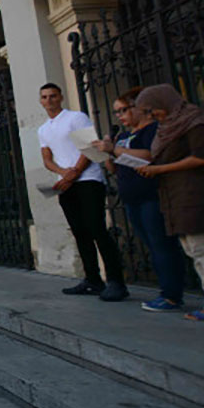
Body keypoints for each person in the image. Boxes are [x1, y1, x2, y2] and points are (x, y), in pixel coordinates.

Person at [134, 85, 204, 321]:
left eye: (153, 110)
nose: (152, 116)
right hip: (176, 195)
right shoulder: (168, 127)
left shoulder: (193, 122)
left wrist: (160, 168)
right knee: (193, 248)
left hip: (195, 194)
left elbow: (201, 156)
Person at [92, 88, 185, 312]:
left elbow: (150, 156)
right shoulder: (123, 136)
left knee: (161, 244)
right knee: (150, 244)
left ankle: (171, 294)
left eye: (124, 110)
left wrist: (115, 149)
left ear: (140, 108)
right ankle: (165, 289)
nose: (120, 116)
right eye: (117, 113)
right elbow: (114, 167)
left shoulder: (152, 130)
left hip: (152, 195)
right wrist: (108, 153)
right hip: (131, 197)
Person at [37, 83, 128, 301]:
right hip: (66, 185)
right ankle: (92, 279)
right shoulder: (43, 129)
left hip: (88, 179)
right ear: (40, 101)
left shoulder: (76, 117)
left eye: (53, 96)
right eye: (44, 97)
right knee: (79, 231)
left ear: (60, 97)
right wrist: (63, 173)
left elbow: (89, 146)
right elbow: (47, 159)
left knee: (96, 228)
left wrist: (75, 171)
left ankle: (116, 281)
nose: (49, 100)